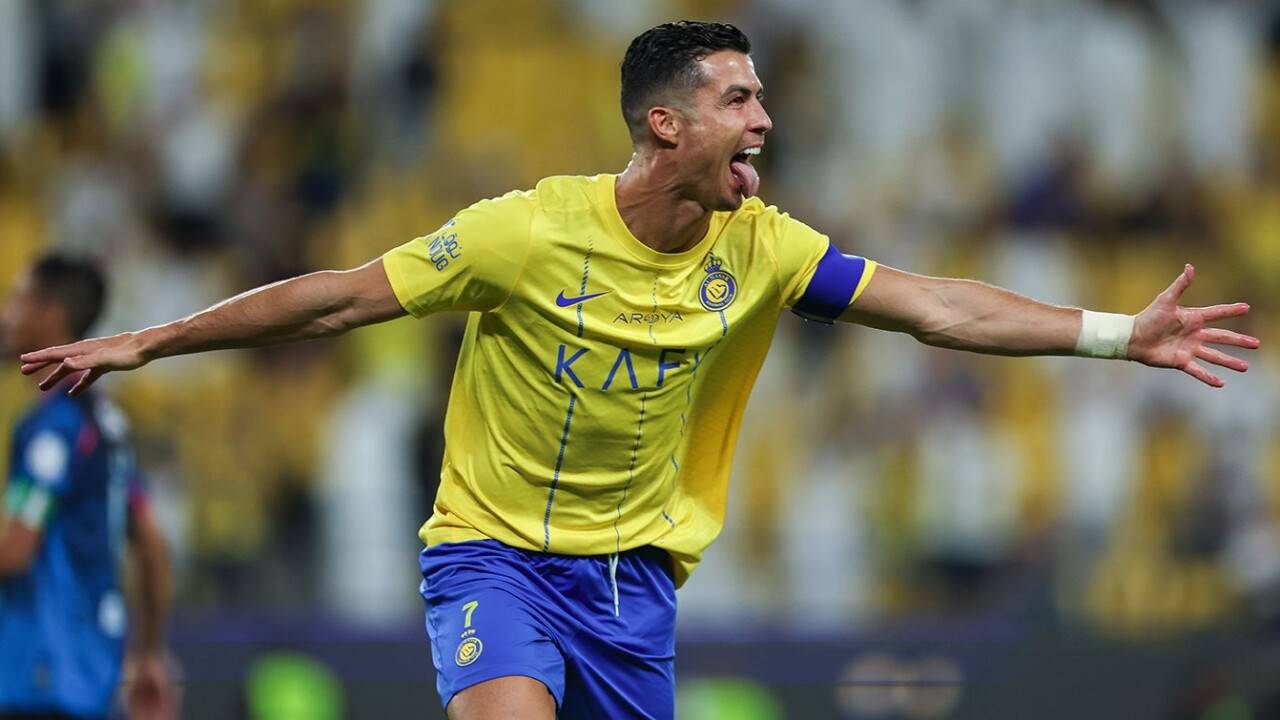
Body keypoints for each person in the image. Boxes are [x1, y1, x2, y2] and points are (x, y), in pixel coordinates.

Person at [17, 21, 1259, 720]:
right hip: (492, 555)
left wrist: (1116, 334)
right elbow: (338, 297)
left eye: (761, 98)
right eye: (737, 99)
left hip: (632, 586)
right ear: (665, 124)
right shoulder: (521, 232)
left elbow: (935, 306)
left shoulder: (764, 248)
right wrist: (150, 339)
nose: (763, 120)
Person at [1, 255, 175, 720]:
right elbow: (154, 548)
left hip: (40, 673)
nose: (7, 315)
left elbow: (14, 552)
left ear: (51, 315)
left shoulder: (53, 429)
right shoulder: (107, 425)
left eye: (18, 300)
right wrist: (149, 653)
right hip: (95, 673)